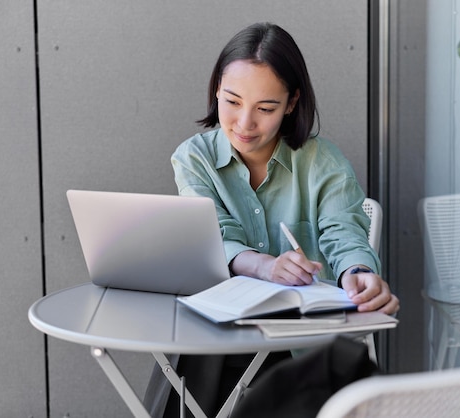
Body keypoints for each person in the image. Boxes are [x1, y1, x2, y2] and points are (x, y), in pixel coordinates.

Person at [145, 22, 399, 417]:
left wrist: (358, 270)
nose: (245, 123)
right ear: (216, 90)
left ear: (292, 103)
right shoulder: (194, 158)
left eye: (265, 108)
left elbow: (343, 230)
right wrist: (265, 266)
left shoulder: (321, 161)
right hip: (220, 341)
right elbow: (214, 236)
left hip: (299, 347)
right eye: (232, 101)